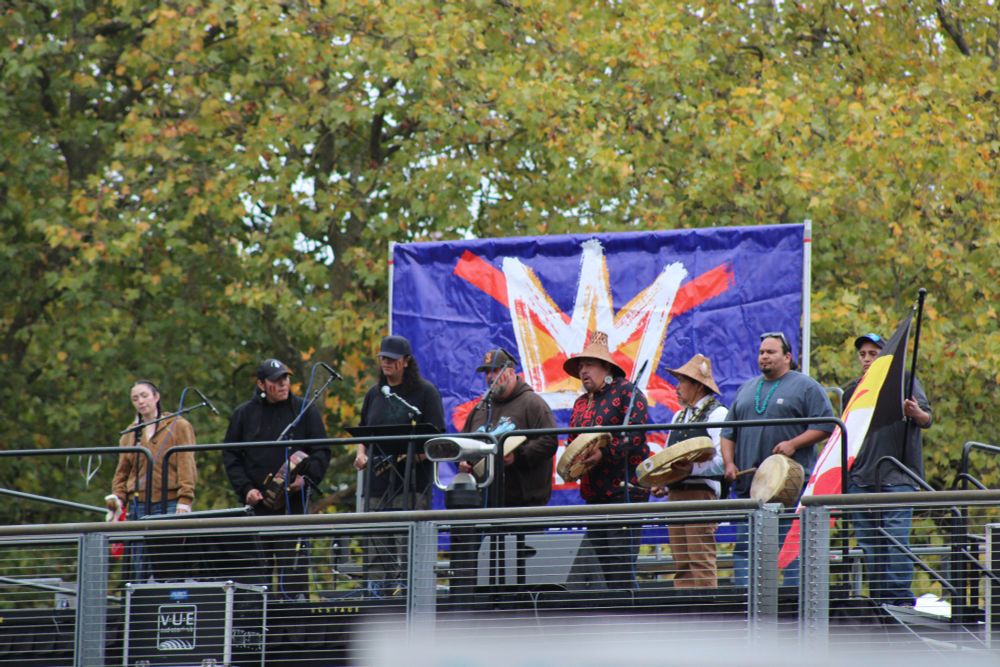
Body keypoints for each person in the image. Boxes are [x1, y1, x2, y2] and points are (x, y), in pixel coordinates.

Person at [721, 332, 835, 587]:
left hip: (790, 487)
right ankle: (746, 601)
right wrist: (729, 463)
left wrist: (794, 443)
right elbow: (728, 432)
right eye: (761, 352)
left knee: (791, 548)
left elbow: (826, 425)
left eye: (771, 352)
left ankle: (794, 603)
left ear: (787, 356)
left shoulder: (806, 386)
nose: (764, 357)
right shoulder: (747, 388)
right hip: (752, 488)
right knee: (746, 549)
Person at [450, 347, 558, 601]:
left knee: (523, 581)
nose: (491, 377)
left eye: (497, 370)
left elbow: (550, 441)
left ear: (511, 372)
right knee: (485, 577)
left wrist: (518, 456)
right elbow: (463, 445)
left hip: (524, 508)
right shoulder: (480, 410)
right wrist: (464, 462)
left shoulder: (532, 403)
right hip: (486, 508)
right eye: (487, 372)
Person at [223, 358, 331, 600]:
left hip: (293, 507)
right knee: (256, 574)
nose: (283, 384)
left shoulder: (305, 410)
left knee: (292, 575)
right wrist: (246, 489)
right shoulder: (243, 414)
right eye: (275, 381)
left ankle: (294, 631)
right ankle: (254, 627)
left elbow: (322, 451)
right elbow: (231, 456)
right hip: (256, 508)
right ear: (261, 384)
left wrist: (306, 479)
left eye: (286, 378)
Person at [844, 332, 932, 607]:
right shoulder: (853, 390)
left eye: (874, 353)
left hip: (897, 476)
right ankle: (879, 601)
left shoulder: (904, 380)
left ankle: (898, 601)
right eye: (863, 354)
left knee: (896, 542)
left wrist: (914, 411)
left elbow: (927, 418)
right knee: (870, 546)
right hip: (861, 478)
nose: (868, 359)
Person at [353, 335, 445, 594]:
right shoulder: (374, 394)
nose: (386, 363)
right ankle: (375, 594)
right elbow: (363, 434)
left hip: (412, 484)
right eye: (383, 358)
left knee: (407, 542)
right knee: (377, 540)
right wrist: (361, 454)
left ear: (406, 362)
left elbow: (437, 439)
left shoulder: (425, 393)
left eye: (392, 359)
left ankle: (409, 592)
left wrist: (414, 456)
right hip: (377, 483)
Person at [564, 331, 650, 588]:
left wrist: (604, 453)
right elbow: (572, 442)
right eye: (580, 366)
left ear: (606, 367)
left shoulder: (628, 393)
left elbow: (635, 435)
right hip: (594, 494)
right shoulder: (580, 404)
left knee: (620, 567)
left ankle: (628, 619)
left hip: (624, 491)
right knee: (600, 567)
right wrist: (575, 460)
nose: (583, 371)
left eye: (589, 364)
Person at [651, 354, 727, 589]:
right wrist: (663, 480)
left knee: (700, 558)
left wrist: (692, 468)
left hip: (700, 493)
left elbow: (723, 460)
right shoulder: (678, 416)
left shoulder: (718, 414)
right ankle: (685, 613)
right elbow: (668, 457)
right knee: (681, 562)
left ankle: (706, 614)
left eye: (682, 381)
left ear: (697, 385)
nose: (677, 387)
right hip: (677, 495)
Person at [108, 380, 197, 581]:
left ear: (156, 397)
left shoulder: (178, 426)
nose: (140, 401)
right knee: (138, 565)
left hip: (171, 502)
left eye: (144, 395)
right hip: (139, 504)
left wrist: (185, 499)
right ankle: (137, 606)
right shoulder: (130, 433)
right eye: (135, 398)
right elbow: (122, 472)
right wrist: (117, 502)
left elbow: (187, 464)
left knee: (169, 564)